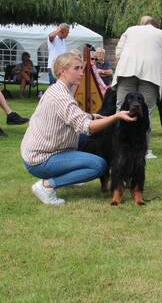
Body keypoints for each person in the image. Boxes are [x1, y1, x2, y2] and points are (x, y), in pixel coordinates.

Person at [20, 53, 137, 205]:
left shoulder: (57, 89)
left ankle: (72, 175)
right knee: (98, 165)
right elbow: (88, 127)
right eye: (76, 68)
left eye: (81, 68)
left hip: (36, 152)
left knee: (89, 141)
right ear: (62, 71)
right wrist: (116, 116)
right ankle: (46, 186)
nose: (81, 73)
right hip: (40, 160)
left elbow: (72, 115)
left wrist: (92, 116)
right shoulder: (61, 97)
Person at [112, 15, 162, 160]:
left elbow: (118, 53)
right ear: (156, 26)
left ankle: (118, 147)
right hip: (151, 74)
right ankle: (143, 150)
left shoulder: (130, 30)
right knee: (146, 111)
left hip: (126, 69)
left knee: (121, 108)